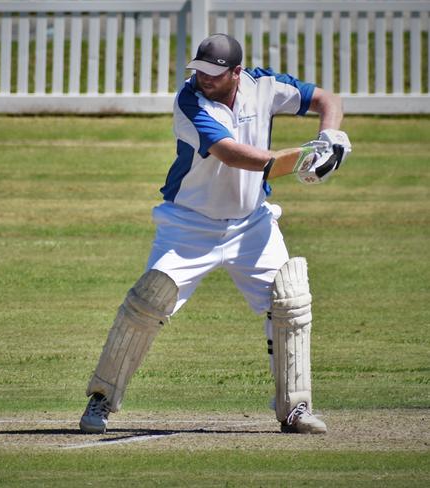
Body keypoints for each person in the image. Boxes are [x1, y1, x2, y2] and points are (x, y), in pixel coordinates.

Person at [79, 33, 351, 435]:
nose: (203, 78)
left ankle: (295, 408)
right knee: (148, 304)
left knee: (289, 301)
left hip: (252, 223)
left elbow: (328, 100)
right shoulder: (190, 102)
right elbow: (233, 154)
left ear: (236, 72)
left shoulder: (264, 87)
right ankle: (101, 398)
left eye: (213, 72)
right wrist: (303, 159)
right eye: (199, 70)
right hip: (189, 224)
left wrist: (331, 137)